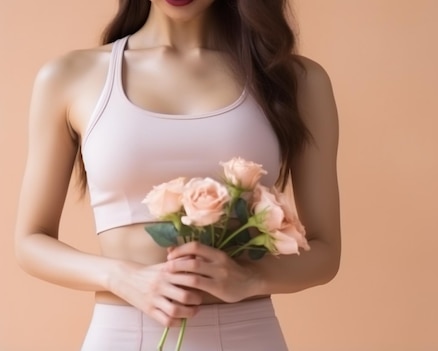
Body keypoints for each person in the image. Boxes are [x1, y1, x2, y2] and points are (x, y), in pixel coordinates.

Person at [14, 0, 341, 350]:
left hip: (248, 336)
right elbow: (30, 241)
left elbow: (325, 251)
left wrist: (250, 278)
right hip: (123, 336)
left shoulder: (297, 81)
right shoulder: (70, 76)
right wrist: (122, 276)